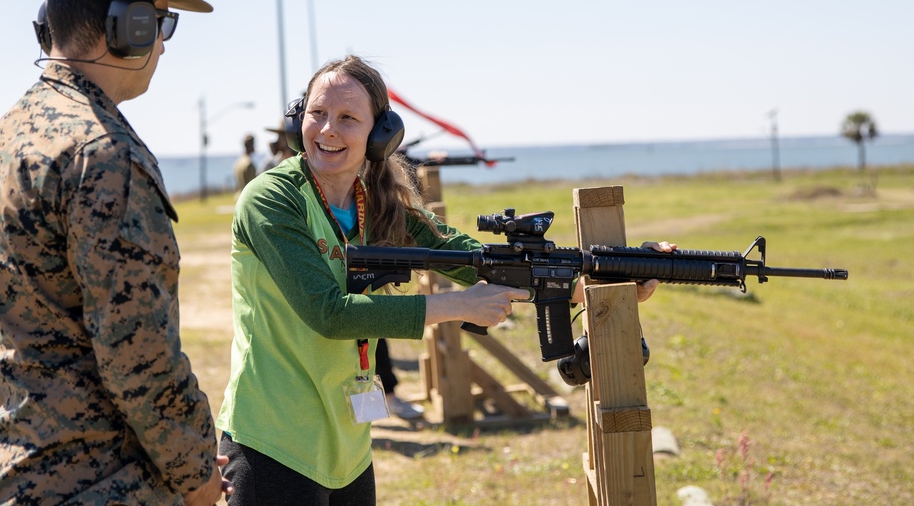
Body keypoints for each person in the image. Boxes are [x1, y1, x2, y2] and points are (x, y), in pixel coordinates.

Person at [215, 55, 669, 504]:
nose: (328, 129)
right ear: (299, 120)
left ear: (379, 135)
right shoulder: (270, 199)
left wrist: (590, 284)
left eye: (348, 118)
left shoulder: (376, 200)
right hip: (273, 439)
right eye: (317, 113)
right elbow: (328, 313)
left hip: (344, 445)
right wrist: (459, 307)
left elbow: (468, 257)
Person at [0, 0, 231, 506]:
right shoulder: (105, 153)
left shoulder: (1, 139)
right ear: (130, 26)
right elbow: (140, 358)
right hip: (105, 485)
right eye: (162, 25)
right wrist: (197, 473)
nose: (163, 46)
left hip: (14, 478)